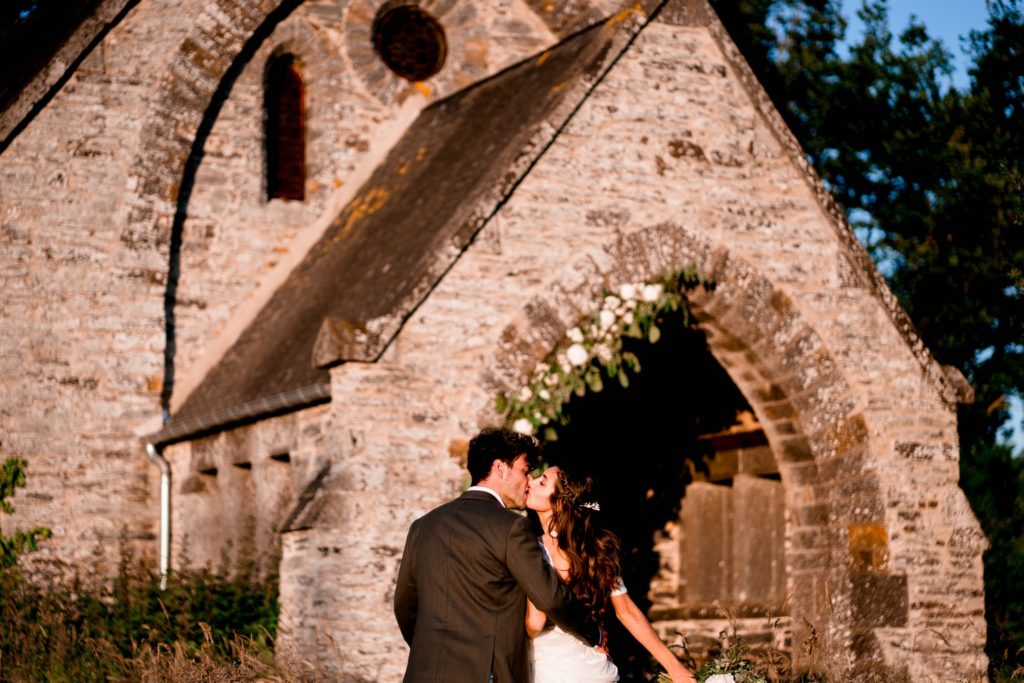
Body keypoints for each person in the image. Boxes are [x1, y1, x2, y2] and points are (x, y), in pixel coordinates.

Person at [393, 427, 602, 683]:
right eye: (525, 471)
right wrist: (595, 634)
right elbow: (550, 598)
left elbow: (405, 607)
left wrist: (432, 654)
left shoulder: (423, 526)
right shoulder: (511, 527)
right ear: (500, 468)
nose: (528, 481)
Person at [525, 466, 698, 683]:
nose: (530, 481)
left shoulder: (532, 549)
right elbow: (627, 612)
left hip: (551, 671)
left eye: (541, 482)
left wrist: (675, 668)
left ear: (559, 504)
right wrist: (675, 668)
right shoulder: (592, 548)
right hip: (589, 669)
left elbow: (626, 611)